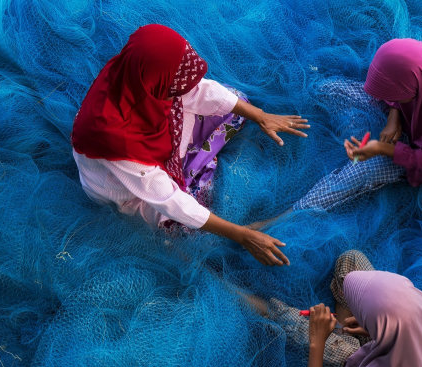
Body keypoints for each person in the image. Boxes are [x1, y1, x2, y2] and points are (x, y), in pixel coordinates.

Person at [71, 24, 309, 265]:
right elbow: (166, 198)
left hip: (154, 137)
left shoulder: (135, 75)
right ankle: (192, 173)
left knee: (237, 104)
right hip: (132, 190)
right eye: (176, 84)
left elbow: (197, 91)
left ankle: (191, 166)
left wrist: (261, 116)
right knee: (186, 228)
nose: (184, 87)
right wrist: (241, 235)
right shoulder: (112, 139)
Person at [284, 38, 422, 215]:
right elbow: (400, 83)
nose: (381, 97)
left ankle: (292, 213)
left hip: (417, 153)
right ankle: (367, 131)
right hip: (403, 112)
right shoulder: (415, 61)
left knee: (359, 172)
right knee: (329, 90)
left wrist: (381, 148)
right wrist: (394, 116)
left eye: (389, 93)